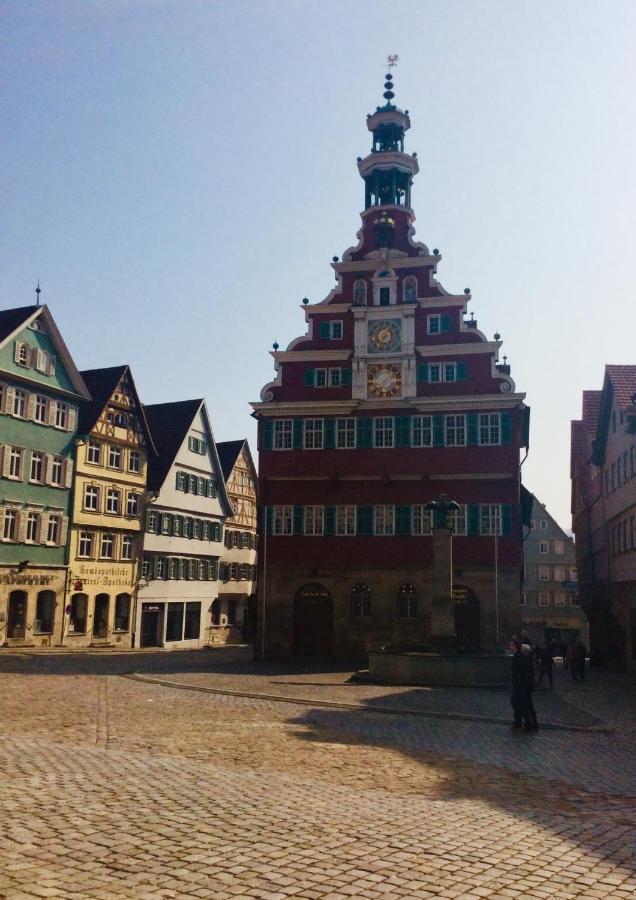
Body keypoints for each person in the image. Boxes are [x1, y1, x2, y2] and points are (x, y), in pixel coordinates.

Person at [510, 639, 538, 731]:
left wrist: (517, 683)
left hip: (521, 686)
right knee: (526, 705)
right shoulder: (524, 657)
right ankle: (529, 724)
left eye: (511, 645)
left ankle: (526, 724)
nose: (510, 647)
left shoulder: (520, 657)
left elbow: (521, 673)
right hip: (524, 686)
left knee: (521, 704)